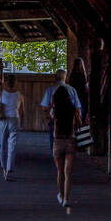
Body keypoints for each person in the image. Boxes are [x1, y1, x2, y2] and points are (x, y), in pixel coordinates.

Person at [49, 78, 82, 208]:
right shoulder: (74, 110)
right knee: (68, 172)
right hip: (70, 141)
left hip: (58, 141)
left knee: (60, 172)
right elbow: (79, 123)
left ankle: (61, 195)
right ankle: (66, 199)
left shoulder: (55, 111)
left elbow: (51, 118)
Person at [39, 69, 83, 150]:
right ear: (65, 78)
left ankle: (56, 157)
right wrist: (79, 118)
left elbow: (44, 107)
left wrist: (48, 114)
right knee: (69, 140)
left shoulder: (50, 89)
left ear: (55, 77)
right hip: (70, 120)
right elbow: (77, 107)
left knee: (54, 141)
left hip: (55, 119)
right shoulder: (72, 90)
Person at [0, 74, 25, 180]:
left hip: (2, 120)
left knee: (3, 144)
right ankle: (9, 168)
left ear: (6, 82)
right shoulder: (19, 95)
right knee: (12, 145)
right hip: (15, 120)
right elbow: (22, 111)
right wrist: (22, 122)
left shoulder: (1, 93)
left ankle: (3, 168)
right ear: (15, 82)